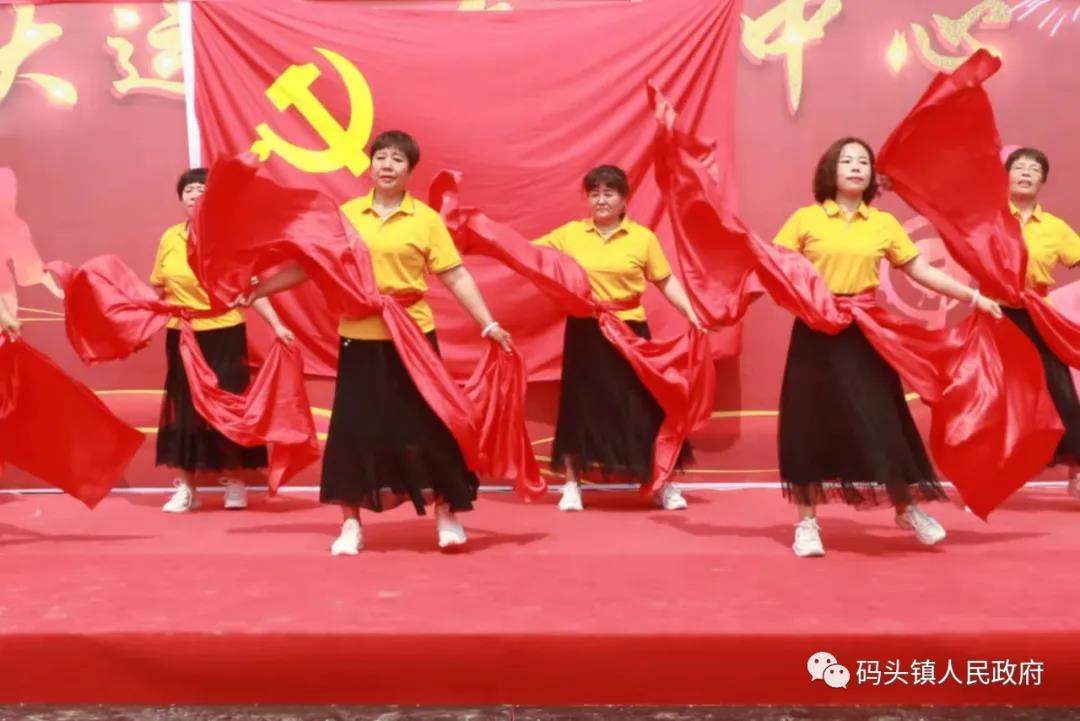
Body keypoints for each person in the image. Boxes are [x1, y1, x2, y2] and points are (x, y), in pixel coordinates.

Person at [239, 130, 512, 555]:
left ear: (410, 170)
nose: (387, 166)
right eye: (381, 157)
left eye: (397, 160)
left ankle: (447, 512)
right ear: (370, 165)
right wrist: (260, 290)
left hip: (413, 339)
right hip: (359, 336)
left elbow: (455, 275)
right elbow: (310, 266)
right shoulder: (346, 216)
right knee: (353, 432)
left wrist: (488, 323)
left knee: (432, 427)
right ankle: (350, 523)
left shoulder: (425, 220)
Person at [774, 138, 1002, 557]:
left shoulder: (882, 224)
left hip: (864, 331)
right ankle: (806, 523)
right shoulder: (805, 219)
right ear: (830, 170)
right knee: (808, 424)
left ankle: (906, 508)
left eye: (863, 161)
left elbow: (919, 269)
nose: (856, 167)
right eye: (847, 160)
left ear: (871, 176)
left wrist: (973, 297)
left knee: (882, 420)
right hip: (815, 331)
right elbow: (775, 268)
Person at [533, 165, 702, 512]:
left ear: (624, 199)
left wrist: (691, 313)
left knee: (646, 406)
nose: (601, 200)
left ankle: (663, 483)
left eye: (609, 193)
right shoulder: (570, 234)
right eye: (594, 193)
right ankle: (571, 485)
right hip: (585, 329)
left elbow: (665, 280)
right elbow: (527, 255)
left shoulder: (643, 238)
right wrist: (487, 239)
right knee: (579, 405)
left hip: (630, 333)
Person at [153, 168, 294, 513]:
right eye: (188, 190)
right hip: (182, 333)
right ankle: (186, 488)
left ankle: (234, 481)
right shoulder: (170, 237)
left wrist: (277, 325)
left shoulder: (230, 238)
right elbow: (160, 288)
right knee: (183, 408)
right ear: (181, 199)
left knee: (229, 406)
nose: (194, 195)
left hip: (224, 332)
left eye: (201, 189)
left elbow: (251, 289)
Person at [1000, 147, 1080, 498]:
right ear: (1006, 177)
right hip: (995, 314)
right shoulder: (990, 219)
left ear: (1042, 181)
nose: (1026, 173)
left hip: (1038, 315)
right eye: (1019, 167)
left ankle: (1077, 470)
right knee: (996, 399)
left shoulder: (1054, 228)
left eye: (1034, 169)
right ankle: (990, 480)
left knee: (1061, 394)